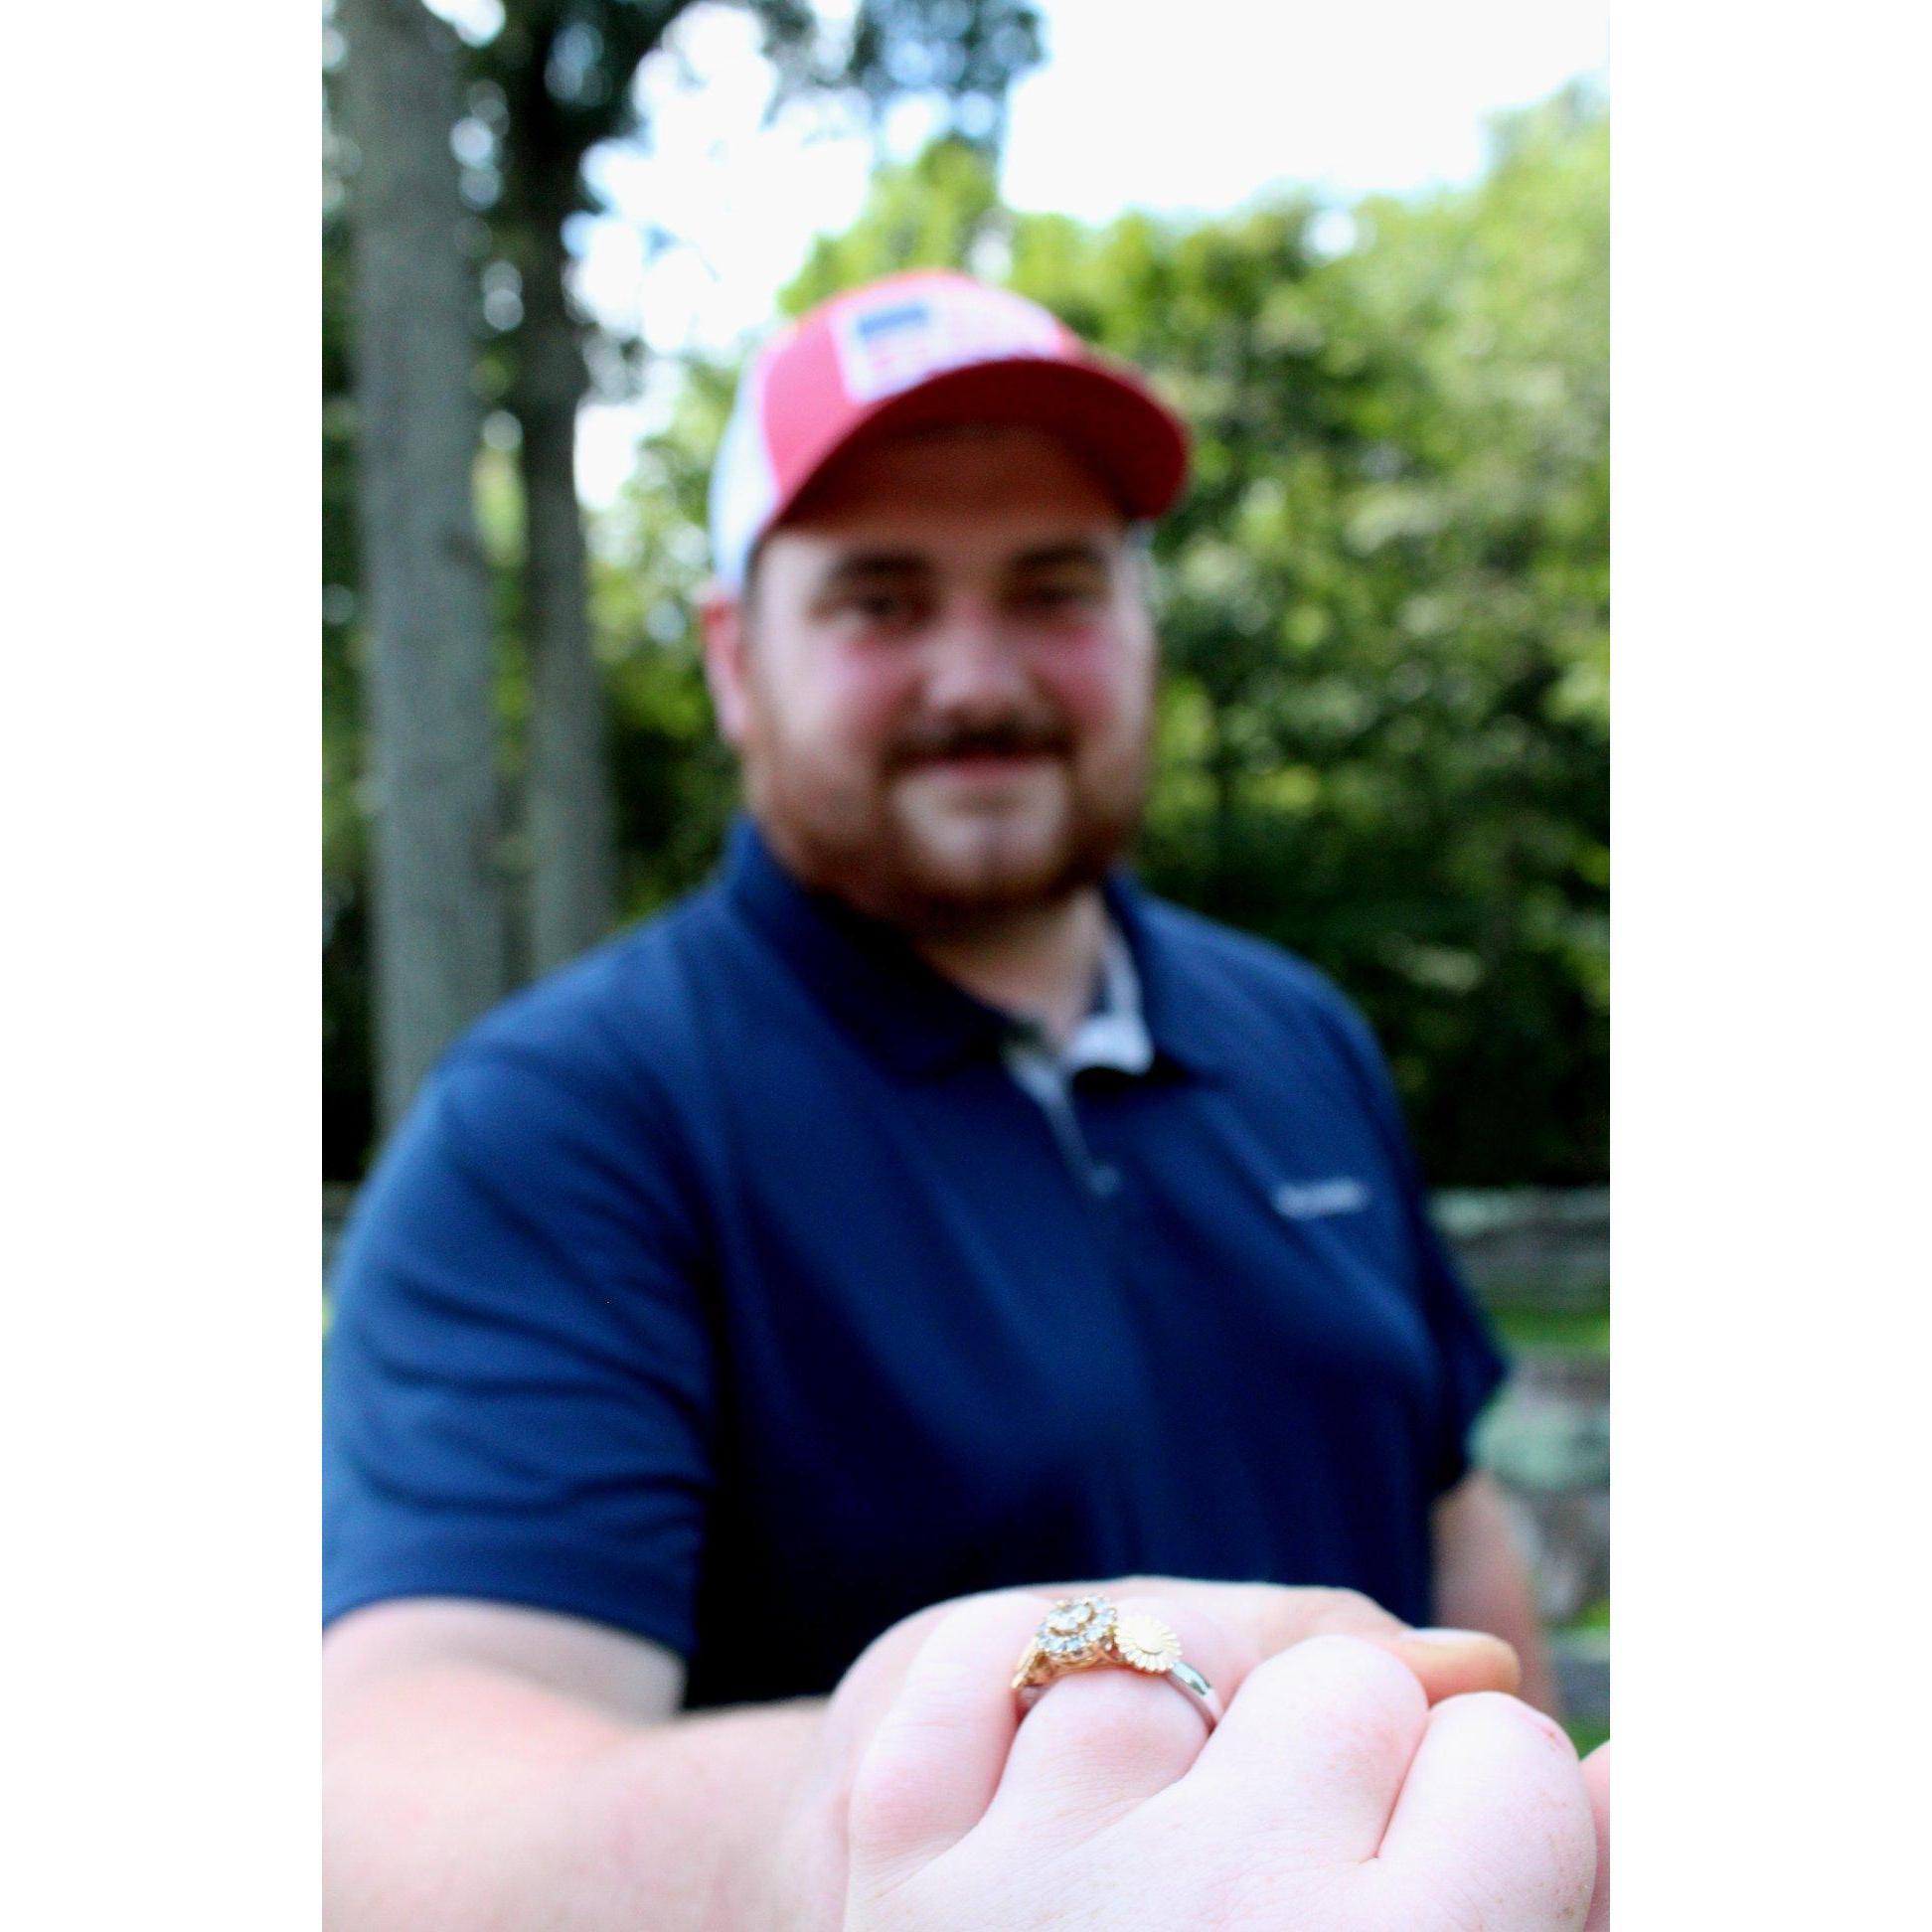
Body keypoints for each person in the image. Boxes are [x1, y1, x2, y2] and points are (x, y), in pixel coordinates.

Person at [324, 269, 1584, 1923]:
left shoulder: (1299, 1036)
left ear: (1140, 625)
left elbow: (1448, 1519)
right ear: (734, 660)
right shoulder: (565, 1122)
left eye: (1053, 589)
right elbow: (394, 1802)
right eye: (881, 600)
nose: (976, 678)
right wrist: (874, 1810)